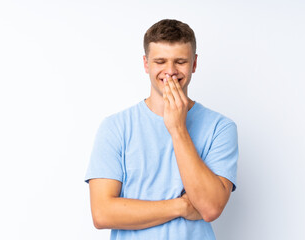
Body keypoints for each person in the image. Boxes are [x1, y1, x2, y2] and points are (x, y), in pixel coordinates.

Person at [84, 19, 239, 240]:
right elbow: (102, 213)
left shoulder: (220, 128)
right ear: (146, 64)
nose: (170, 71)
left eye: (180, 61)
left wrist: (177, 128)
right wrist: (181, 207)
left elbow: (211, 208)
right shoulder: (115, 127)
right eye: (160, 61)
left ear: (194, 64)